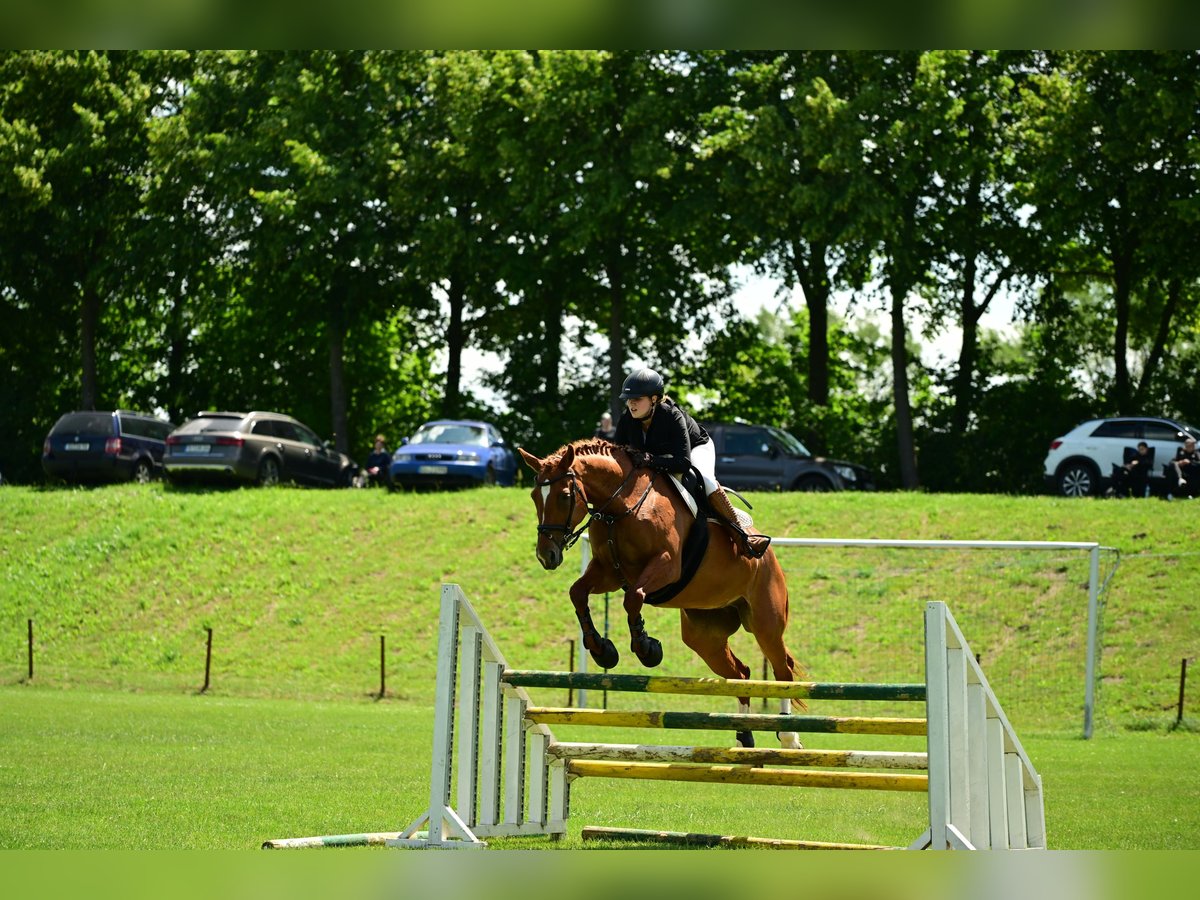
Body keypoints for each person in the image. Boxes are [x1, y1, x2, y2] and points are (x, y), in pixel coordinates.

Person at [613, 367, 770, 559]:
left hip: (695, 448)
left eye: (637, 399)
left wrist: (650, 459)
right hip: (661, 457)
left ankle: (743, 537)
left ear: (654, 399)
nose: (631, 404)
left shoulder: (672, 415)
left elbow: (683, 463)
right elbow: (618, 455)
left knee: (706, 480)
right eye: (629, 399)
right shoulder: (627, 420)